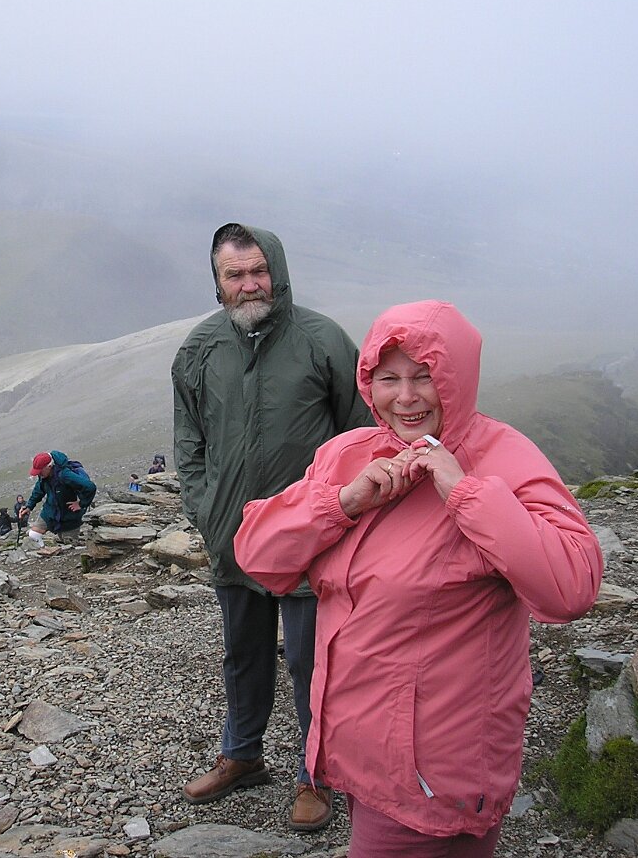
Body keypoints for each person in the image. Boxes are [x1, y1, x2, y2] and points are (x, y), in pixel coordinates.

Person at [235, 300, 604, 856]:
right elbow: (259, 555)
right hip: (359, 751)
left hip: (432, 768)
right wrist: (343, 502)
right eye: (388, 379)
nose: (405, 397)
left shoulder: (503, 456)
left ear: (457, 378)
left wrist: (466, 493)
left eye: (425, 376)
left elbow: (572, 585)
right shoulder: (349, 454)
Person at [172, 222, 372, 831]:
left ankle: (318, 774)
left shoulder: (322, 340)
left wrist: (338, 513)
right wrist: (208, 512)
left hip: (312, 538)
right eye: (234, 274)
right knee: (243, 653)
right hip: (234, 535)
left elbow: (361, 434)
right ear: (218, 281)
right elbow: (189, 442)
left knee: (312, 660)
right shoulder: (200, 349)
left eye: (258, 271)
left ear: (277, 271)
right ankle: (242, 755)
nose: (249, 284)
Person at [25, 450, 97, 545]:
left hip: (69, 517)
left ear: (49, 466)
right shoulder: (43, 476)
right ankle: (43, 550)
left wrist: (81, 504)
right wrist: (29, 506)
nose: (39, 474)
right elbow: (38, 490)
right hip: (50, 513)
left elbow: (90, 487)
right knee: (33, 534)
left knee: (69, 544)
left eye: (40, 471)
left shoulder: (65, 475)